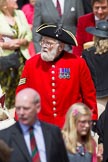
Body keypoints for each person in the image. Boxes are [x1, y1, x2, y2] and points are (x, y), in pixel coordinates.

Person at [16, 23, 98, 129]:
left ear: (60, 47)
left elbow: (89, 94)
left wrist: (93, 119)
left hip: (71, 124)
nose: (44, 45)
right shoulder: (31, 64)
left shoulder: (77, 63)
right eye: (43, 41)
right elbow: (21, 92)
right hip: (41, 125)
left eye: (49, 43)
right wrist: (19, 119)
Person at [0, 88, 69, 162]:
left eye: (26, 108)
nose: (21, 113)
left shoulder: (53, 132)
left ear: (38, 107)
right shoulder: (4, 137)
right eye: (18, 108)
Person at [0, 0, 32, 109]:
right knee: (6, 91)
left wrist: (22, 41)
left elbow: (29, 34)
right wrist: (5, 45)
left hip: (22, 59)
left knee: (23, 88)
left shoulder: (20, 14)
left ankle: (20, 115)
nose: (16, 0)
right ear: (4, 4)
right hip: (5, 60)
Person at [82, 20, 108, 116]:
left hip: (97, 99)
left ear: (95, 37)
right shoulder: (87, 54)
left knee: (98, 129)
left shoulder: (87, 54)